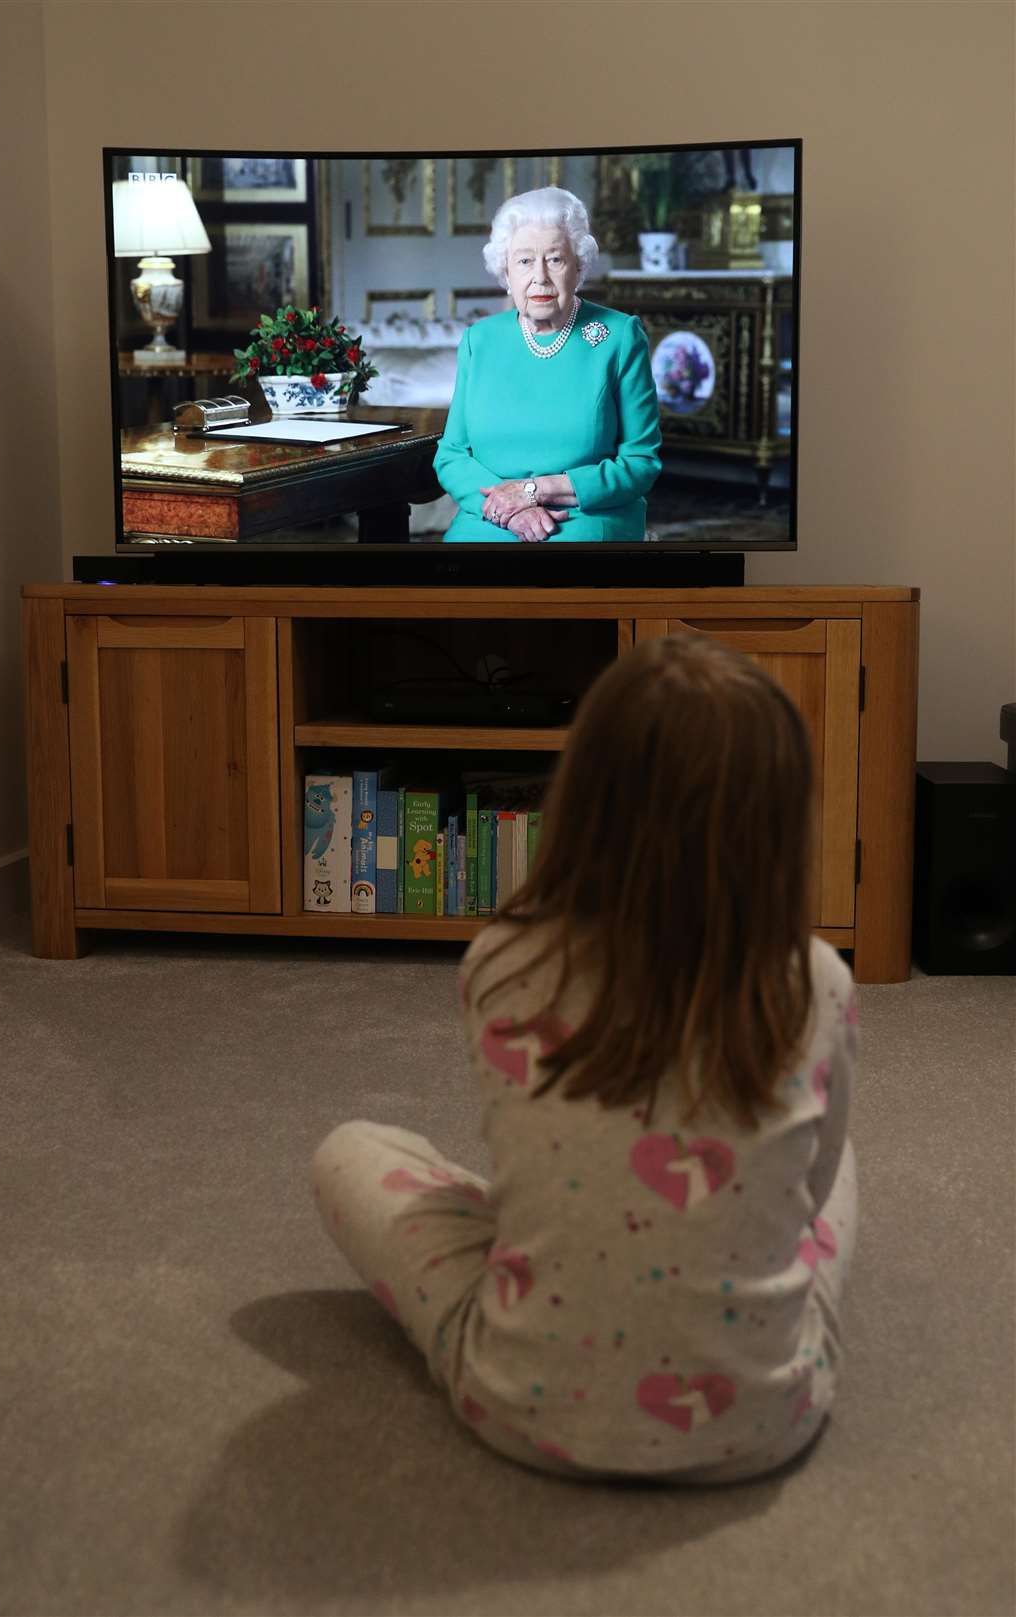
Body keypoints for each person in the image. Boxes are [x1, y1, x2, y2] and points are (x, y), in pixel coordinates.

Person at [311, 634, 859, 1485]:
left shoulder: (502, 961)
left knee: (349, 1151)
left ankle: (579, 1247)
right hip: (761, 1424)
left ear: (581, 796)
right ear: (780, 818)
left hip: (525, 1409)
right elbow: (813, 1191)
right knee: (840, 1164)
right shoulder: (815, 978)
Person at [431, 187, 663, 543]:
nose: (539, 276)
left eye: (555, 259)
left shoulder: (619, 337)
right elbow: (451, 455)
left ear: (578, 268)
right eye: (524, 261)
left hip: (585, 515)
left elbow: (640, 462)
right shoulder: (480, 341)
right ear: (506, 273)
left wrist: (534, 490)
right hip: (492, 516)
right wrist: (513, 509)